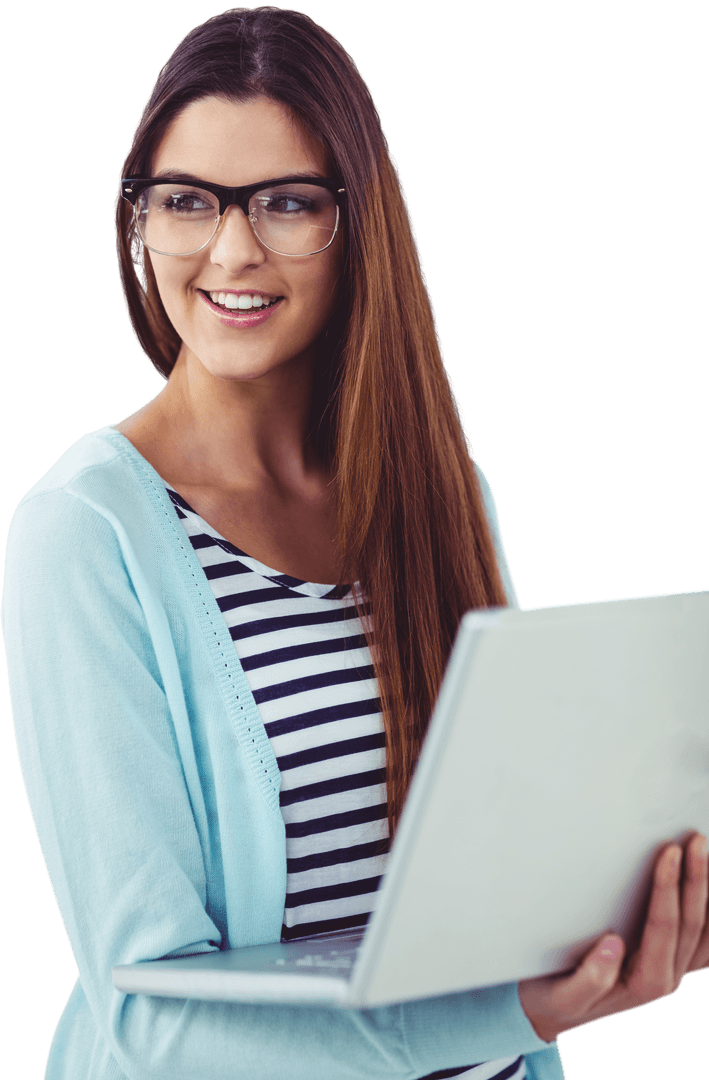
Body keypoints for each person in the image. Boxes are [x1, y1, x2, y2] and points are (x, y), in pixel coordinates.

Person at [2, 7, 707, 1080]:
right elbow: (151, 1020)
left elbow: (516, 879)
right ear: (135, 220)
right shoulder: (86, 534)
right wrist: (508, 1014)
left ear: (357, 221)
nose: (232, 249)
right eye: (186, 200)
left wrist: (629, 902)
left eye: (287, 202)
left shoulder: (444, 493)